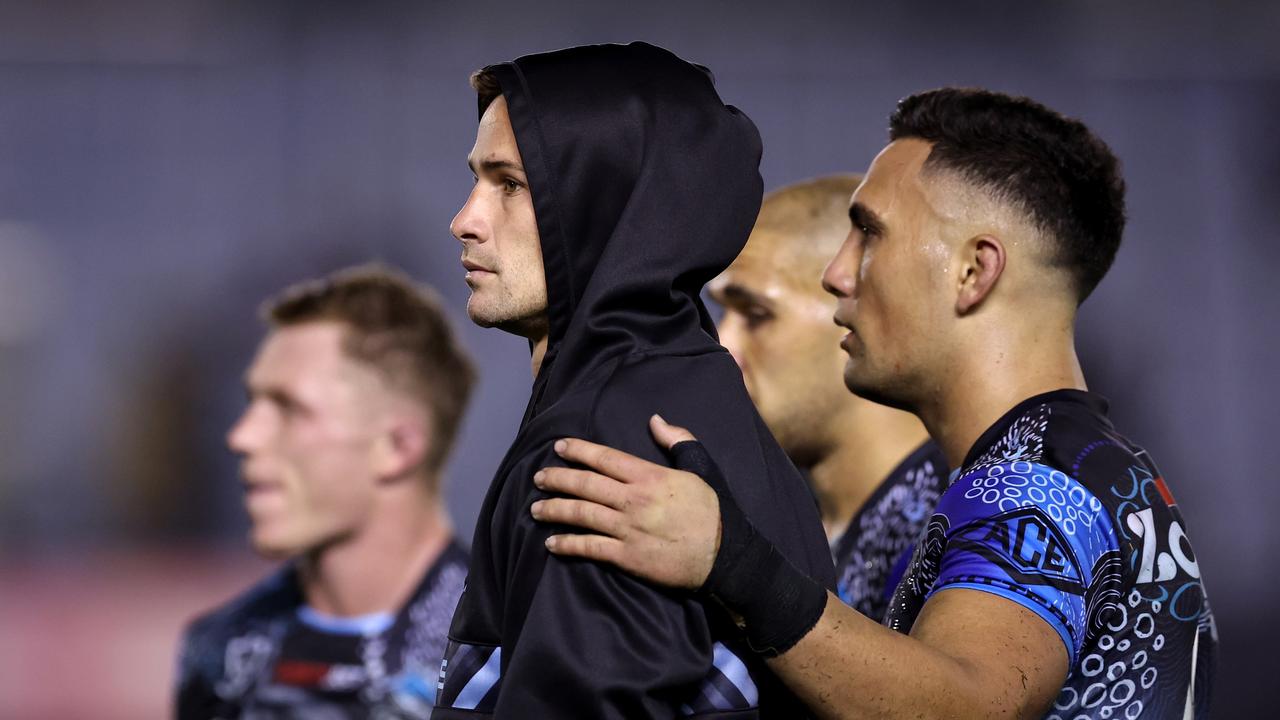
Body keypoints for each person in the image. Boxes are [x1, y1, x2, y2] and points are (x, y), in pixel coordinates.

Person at [531, 88, 1217, 719]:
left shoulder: (1033, 483)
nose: (838, 273)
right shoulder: (1070, 463)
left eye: (871, 233)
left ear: (974, 271)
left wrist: (727, 557)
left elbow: (967, 705)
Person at [434, 42, 834, 719]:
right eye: (477, 179)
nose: (465, 221)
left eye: (510, 184)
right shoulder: (689, 395)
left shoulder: (607, 435)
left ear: (606, 204)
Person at [175, 265, 475, 719]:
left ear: (398, 447)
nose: (242, 436)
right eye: (251, 404)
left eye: (289, 408)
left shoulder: (503, 655)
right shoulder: (220, 652)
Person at [709, 175, 946, 620]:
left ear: (858, 312)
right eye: (724, 313)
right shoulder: (779, 521)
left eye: (756, 315)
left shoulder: (959, 527)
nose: (723, 346)